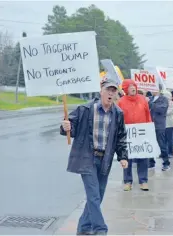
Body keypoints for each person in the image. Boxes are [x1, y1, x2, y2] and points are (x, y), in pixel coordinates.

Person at [60, 79, 128, 235]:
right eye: (108, 90)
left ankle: (83, 228)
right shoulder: (85, 109)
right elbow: (71, 128)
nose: (111, 94)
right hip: (87, 157)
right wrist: (66, 127)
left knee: (98, 196)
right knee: (93, 195)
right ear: (101, 91)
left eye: (114, 91)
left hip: (105, 160)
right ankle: (100, 229)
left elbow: (121, 137)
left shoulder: (118, 113)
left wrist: (123, 156)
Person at [117, 79, 152, 191]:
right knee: (127, 158)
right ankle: (127, 181)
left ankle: (143, 181)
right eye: (130, 86)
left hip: (141, 133)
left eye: (134, 86)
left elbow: (148, 115)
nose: (133, 88)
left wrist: (149, 129)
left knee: (143, 156)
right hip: (127, 135)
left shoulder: (142, 100)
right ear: (125, 89)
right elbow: (119, 118)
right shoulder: (121, 102)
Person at [148, 85, 171, 171]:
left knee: (162, 144)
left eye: (154, 87)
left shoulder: (163, 99)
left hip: (159, 125)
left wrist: (149, 103)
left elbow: (161, 110)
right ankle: (151, 162)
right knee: (149, 144)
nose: (152, 89)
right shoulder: (149, 98)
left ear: (159, 89)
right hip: (149, 125)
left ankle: (166, 163)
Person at [163, 90, 173, 158]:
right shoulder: (163, 103)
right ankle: (164, 153)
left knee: (169, 139)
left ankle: (171, 152)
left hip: (169, 124)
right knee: (164, 140)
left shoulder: (172, 104)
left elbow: (167, 112)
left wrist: (161, 109)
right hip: (163, 124)